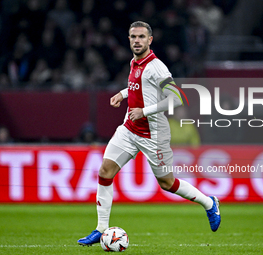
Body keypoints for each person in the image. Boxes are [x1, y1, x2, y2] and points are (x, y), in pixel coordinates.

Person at [77, 21, 221, 246]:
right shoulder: (134, 62)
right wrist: (123, 94)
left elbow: (176, 98)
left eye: (141, 37)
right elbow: (141, 87)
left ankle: (209, 203)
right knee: (105, 172)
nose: (137, 41)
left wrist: (144, 111)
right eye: (133, 37)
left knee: (167, 183)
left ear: (150, 40)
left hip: (153, 134)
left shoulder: (157, 67)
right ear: (129, 39)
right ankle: (100, 229)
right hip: (129, 129)